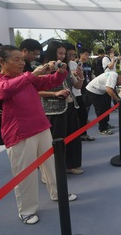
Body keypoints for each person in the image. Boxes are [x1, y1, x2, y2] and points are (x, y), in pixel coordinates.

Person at [0, 45, 77, 225]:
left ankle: (58, 192)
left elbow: (49, 82)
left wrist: (60, 72)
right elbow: (6, 90)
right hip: (19, 133)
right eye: (17, 60)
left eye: (22, 60)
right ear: (1, 62)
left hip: (41, 127)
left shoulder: (25, 78)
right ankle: (27, 210)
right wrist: (33, 74)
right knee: (25, 174)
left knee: (51, 165)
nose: (22, 63)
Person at [39, 41, 84, 175]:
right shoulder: (43, 69)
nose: (63, 56)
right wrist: (55, 93)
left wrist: (80, 77)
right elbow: (36, 90)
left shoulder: (66, 67)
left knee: (73, 138)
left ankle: (70, 165)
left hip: (70, 106)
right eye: (60, 53)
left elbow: (77, 86)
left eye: (64, 53)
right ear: (52, 52)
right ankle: (52, 171)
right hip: (54, 109)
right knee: (57, 140)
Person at [64, 43, 95, 142]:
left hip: (81, 91)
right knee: (73, 118)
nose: (72, 57)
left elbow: (80, 80)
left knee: (83, 114)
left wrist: (79, 76)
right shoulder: (60, 65)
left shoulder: (76, 64)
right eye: (69, 55)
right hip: (68, 96)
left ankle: (83, 134)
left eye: (73, 55)